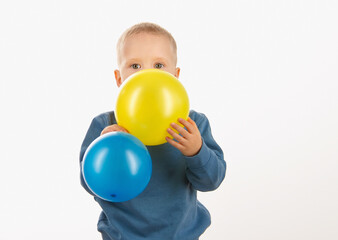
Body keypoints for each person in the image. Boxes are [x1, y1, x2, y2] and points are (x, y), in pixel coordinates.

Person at [79, 22, 226, 240]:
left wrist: (197, 151)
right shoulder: (105, 126)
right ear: (119, 78)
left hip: (182, 235)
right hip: (122, 235)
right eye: (135, 66)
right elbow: (89, 184)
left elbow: (212, 181)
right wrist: (107, 149)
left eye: (158, 65)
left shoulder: (192, 124)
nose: (147, 74)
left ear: (175, 75)